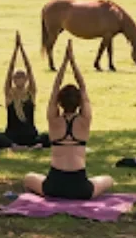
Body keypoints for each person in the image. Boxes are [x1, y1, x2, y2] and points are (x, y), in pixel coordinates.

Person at [23, 40, 115, 200]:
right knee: (108, 179)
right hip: (80, 187)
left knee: (29, 177)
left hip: (53, 186)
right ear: (79, 102)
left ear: (60, 102)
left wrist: (64, 64)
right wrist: (73, 61)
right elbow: (83, 88)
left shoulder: (54, 121)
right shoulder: (84, 121)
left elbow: (54, 91)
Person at [0, 31, 50, 149]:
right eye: (17, 77)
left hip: (30, 136)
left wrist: (22, 49)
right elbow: (10, 69)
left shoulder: (30, 92)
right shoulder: (10, 94)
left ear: (26, 79)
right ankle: (19, 145)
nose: (19, 79)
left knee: (52, 135)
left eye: (22, 76)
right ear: (13, 79)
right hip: (12, 136)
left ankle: (30, 145)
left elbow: (29, 69)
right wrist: (15, 50)